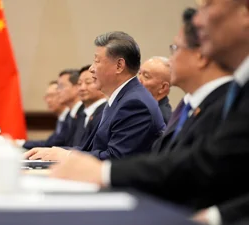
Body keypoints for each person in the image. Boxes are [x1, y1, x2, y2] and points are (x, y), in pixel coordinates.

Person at [49, 0, 249, 214]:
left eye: (175, 49)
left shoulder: (136, 103)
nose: (199, 19)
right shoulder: (195, 103)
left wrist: (102, 171)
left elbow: (202, 166)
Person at [24, 31, 165, 160]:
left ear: (119, 66)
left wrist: (66, 155)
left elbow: (116, 158)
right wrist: (52, 152)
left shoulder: (135, 104)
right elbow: (90, 149)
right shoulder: (122, 99)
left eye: (97, 61)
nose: (91, 69)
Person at [151, 8, 232, 154]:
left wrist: (107, 171)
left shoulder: (223, 111)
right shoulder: (189, 107)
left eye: (175, 48)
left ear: (201, 56)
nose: (169, 62)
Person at [17, 81, 69, 149]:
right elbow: (49, 142)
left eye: (51, 96)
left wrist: (21, 143)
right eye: (47, 96)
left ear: (62, 95)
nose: (48, 100)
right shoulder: (61, 119)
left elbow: (51, 144)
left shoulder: (72, 118)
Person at [71, 65, 107, 147]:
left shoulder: (105, 113)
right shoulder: (80, 114)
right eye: (79, 84)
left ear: (101, 84)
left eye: (88, 83)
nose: (82, 88)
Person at [138, 56, 172, 124]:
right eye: (139, 73)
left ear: (163, 87)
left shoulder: (160, 118)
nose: (138, 80)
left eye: (146, 76)